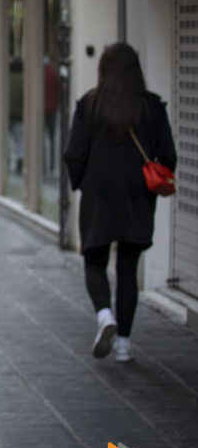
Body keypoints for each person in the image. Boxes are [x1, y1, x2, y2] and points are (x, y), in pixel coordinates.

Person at [63, 43, 177, 363]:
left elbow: (74, 153)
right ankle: (124, 345)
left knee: (94, 260)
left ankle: (104, 316)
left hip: (98, 193)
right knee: (128, 268)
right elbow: (168, 155)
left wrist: (83, 181)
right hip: (136, 195)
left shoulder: (89, 106)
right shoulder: (152, 107)